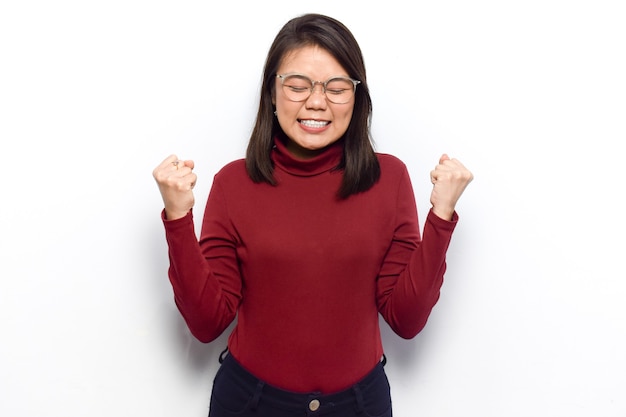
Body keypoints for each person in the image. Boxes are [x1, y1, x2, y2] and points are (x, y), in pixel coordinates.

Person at [152, 13, 473, 417]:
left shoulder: (389, 178)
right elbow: (206, 323)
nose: (317, 102)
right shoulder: (233, 183)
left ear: (357, 97)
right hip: (249, 402)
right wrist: (178, 218)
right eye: (298, 85)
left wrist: (441, 215)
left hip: (360, 404)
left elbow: (406, 320)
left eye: (336, 87)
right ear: (272, 92)